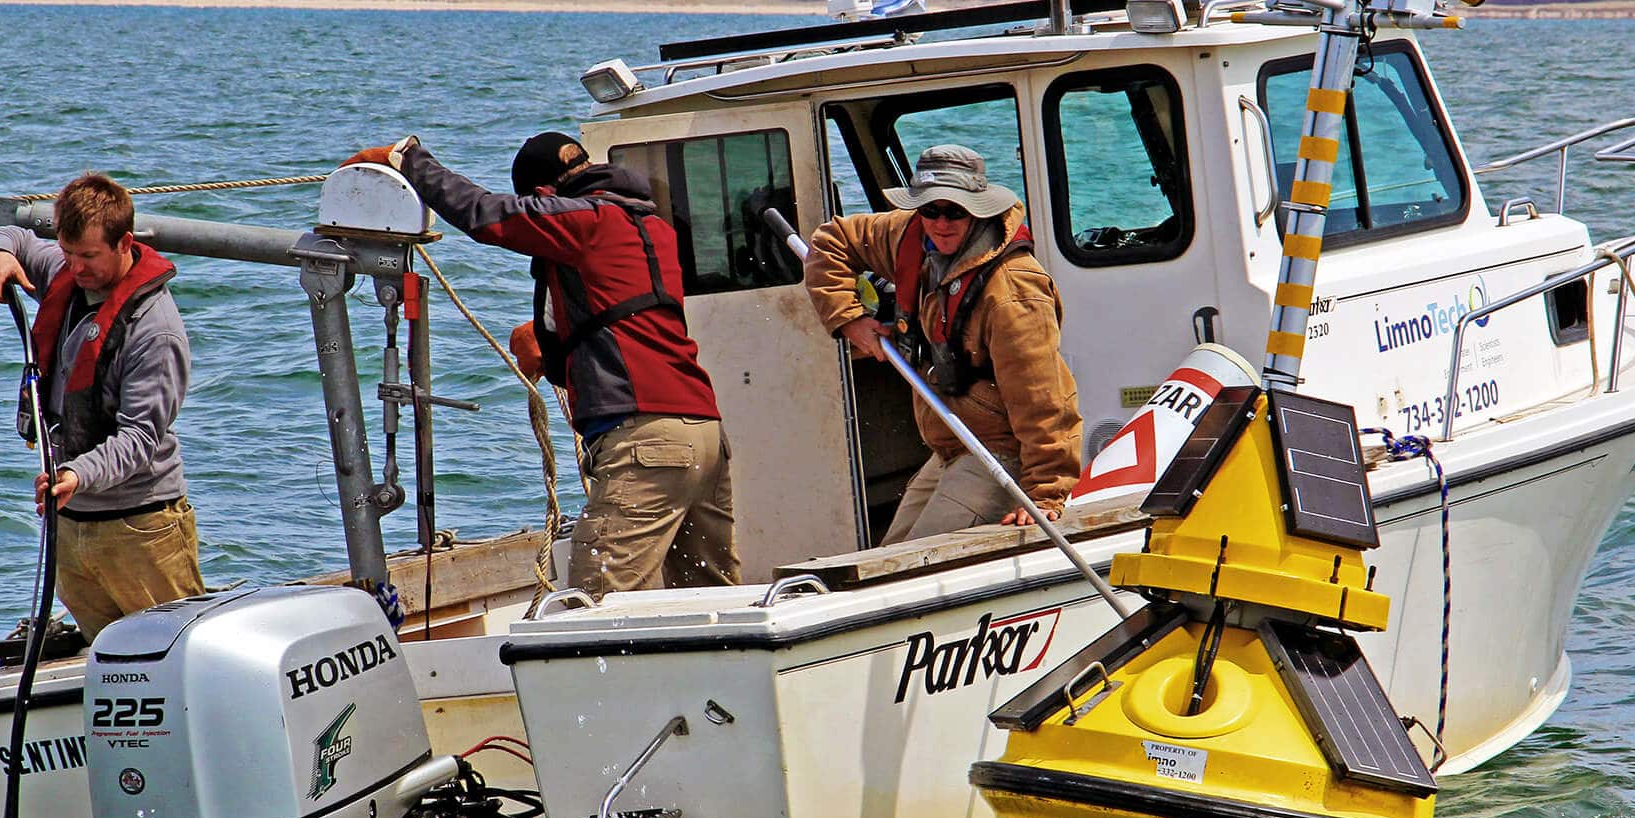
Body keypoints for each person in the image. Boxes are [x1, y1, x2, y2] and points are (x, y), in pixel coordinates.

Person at [344, 132, 739, 596]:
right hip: (703, 435)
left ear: (543, 196)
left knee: (599, 603)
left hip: (647, 441)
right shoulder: (652, 228)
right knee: (710, 596)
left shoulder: (586, 219)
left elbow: (486, 215)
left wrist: (408, 161)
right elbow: (626, 309)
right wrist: (552, 339)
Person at [805, 143, 1082, 543]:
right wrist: (849, 319)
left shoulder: (1014, 293)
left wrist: (1045, 493)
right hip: (951, 447)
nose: (941, 222)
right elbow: (831, 242)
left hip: (999, 452)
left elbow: (1044, 399)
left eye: (955, 211)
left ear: (979, 208)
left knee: (910, 567)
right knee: (887, 555)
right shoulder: (907, 236)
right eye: (930, 210)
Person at [0, 173, 204, 640]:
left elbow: (141, 436)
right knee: (105, 666)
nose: (75, 268)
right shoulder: (66, 269)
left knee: (177, 655)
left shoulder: (155, 332)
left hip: (140, 528)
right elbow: (11, 233)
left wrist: (79, 475)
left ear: (124, 243)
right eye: (67, 253)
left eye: (88, 256)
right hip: (71, 525)